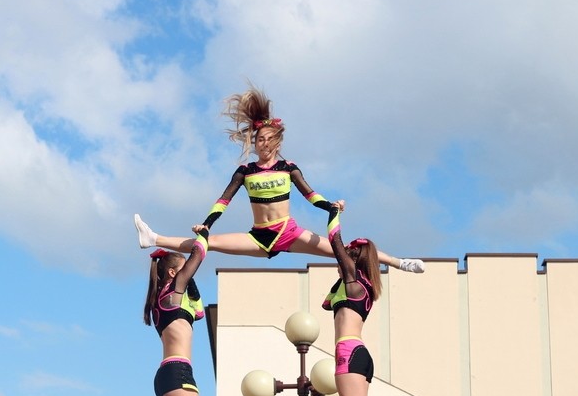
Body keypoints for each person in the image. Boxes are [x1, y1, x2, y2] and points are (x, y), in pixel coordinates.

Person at [133, 86, 424, 274]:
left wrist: (331, 206)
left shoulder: (288, 167)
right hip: (259, 236)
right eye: (259, 139)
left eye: (267, 139)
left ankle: (400, 263)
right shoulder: (245, 172)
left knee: (345, 251)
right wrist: (205, 225)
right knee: (207, 242)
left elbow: (311, 196)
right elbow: (222, 202)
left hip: (288, 232)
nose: (262, 144)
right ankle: (153, 238)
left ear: (277, 141)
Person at [144, 239, 206, 396]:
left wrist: (190, 280)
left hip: (166, 374)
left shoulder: (172, 298)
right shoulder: (171, 294)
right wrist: (202, 236)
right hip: (178, 369)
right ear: (173, 273)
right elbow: (198, 256)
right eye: (183, 272)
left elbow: (199, 312)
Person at [322, 235, 384, 396]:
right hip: (356, 352)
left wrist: (333, 217)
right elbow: (327, 303)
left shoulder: (356, 282)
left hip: (349, 351)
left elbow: (336, 248)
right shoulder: (353, 284)